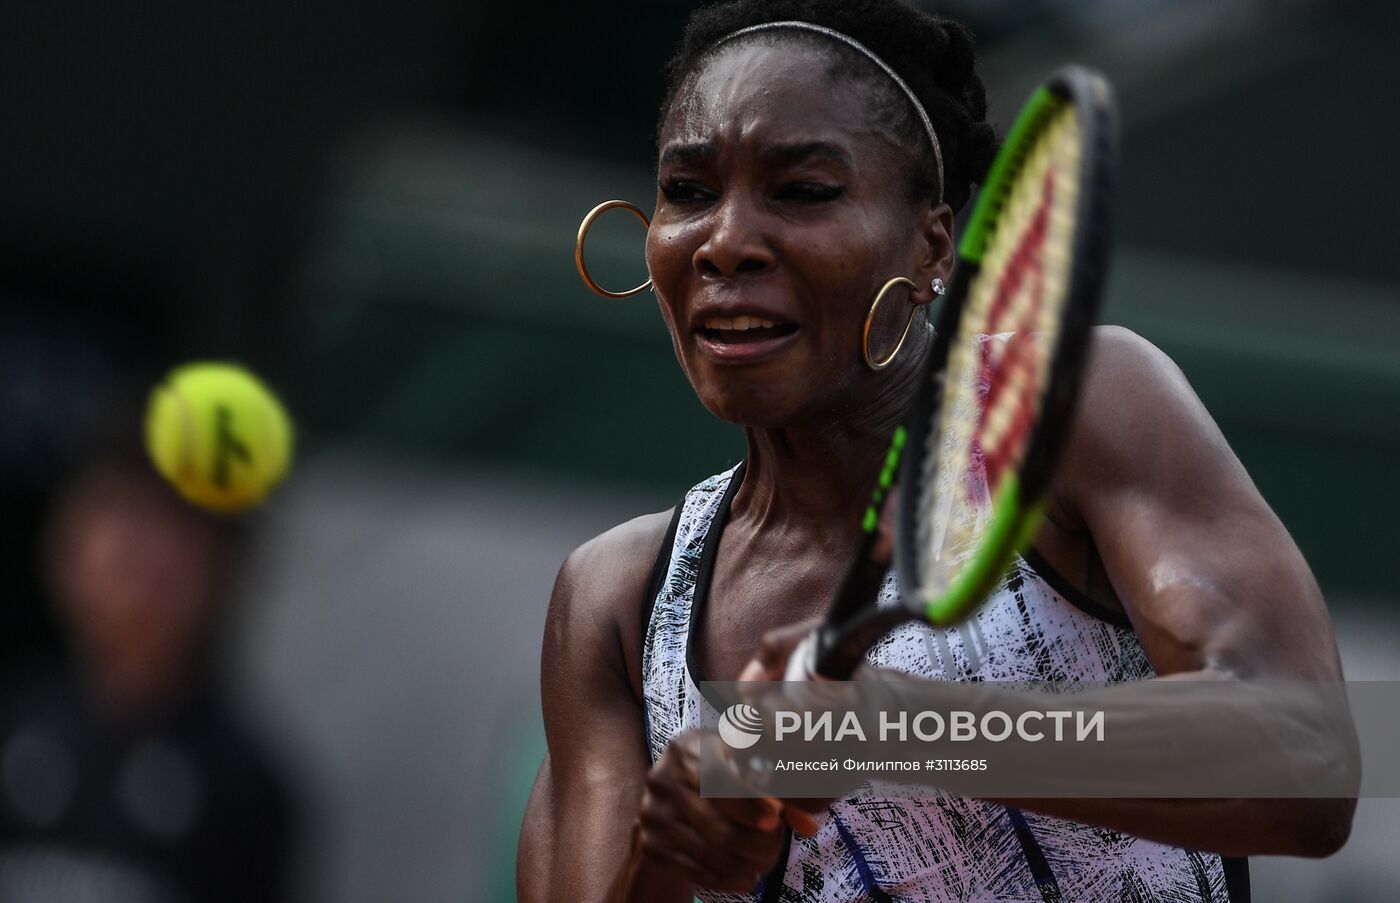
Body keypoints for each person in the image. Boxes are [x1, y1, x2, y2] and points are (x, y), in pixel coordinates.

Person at [517, 1, 1354, 900]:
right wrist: (669, 861)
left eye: (803, 191)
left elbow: (1301, 753)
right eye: (688, 192)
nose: (726, 242)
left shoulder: (1067, 405)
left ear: (933, 243)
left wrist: (885, 723)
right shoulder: (616, 599)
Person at [0, 454, 297, 903]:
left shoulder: (244, 784)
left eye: (171, 546)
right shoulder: (15, 722)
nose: (141, 578)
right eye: (123, 548)